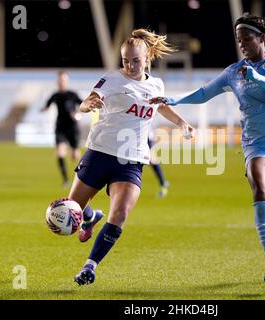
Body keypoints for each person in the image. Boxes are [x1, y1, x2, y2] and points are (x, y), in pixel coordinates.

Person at [150, 13, 265, 289]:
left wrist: (259, 78)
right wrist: (174, 99)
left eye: (247, 38)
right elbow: (204, 93)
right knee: (260, 188)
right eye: (238, 40)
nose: (242, 44)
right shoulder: (233, 71)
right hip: (257, 145)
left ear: (261, 38)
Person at [69, 28, 195, 286]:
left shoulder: (156, 84)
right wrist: (86, 106)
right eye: (125, 60)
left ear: (147, 58)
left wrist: (182, 123)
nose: (129, 65)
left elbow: (160, 106)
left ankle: (89, 267)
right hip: (100, 152)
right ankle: (90, 217)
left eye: (135, 60)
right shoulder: (112, 79)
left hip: (131, 159)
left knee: (121, 213)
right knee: (72, 211)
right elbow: (88, 101)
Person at [41, 70, 82, 187]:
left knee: (75, 156)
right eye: (59, 80)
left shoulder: (72, 95)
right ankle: (65, 180)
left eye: (63, 79)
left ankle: (80, 180)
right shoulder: (55, 95)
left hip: (72, 128)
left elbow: (83, 106)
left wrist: (77, 114)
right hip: (60, 128)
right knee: (60, 153)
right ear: (57, 81)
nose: (61, 82)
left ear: (67, 81)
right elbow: (47, 105)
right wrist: (44, 109)